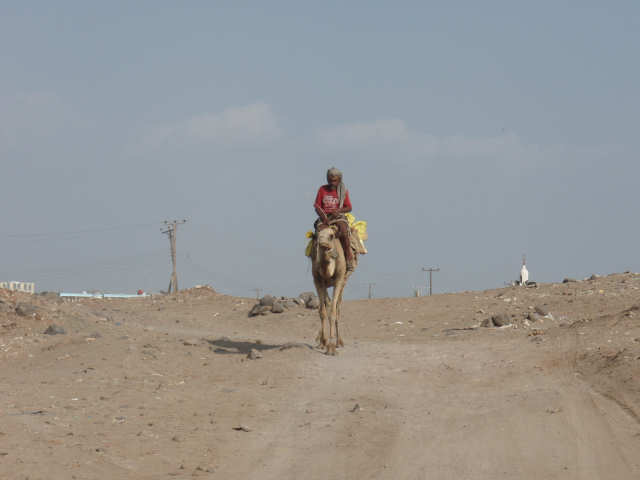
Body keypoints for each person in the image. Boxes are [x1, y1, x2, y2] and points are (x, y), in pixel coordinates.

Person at [314, 167, 355, 271]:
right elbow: (317, 206)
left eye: (335, 181)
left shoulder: (343, 191)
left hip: (338, 217)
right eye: (330, 180)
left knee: (344, 232)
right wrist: (323, 218)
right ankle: (316, 259)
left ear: (339, 180)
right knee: (319, 234)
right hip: (325, 217)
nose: (332, 183)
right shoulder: (322, 189)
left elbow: (349, 207)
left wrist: (339, 211)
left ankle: (348, 258)